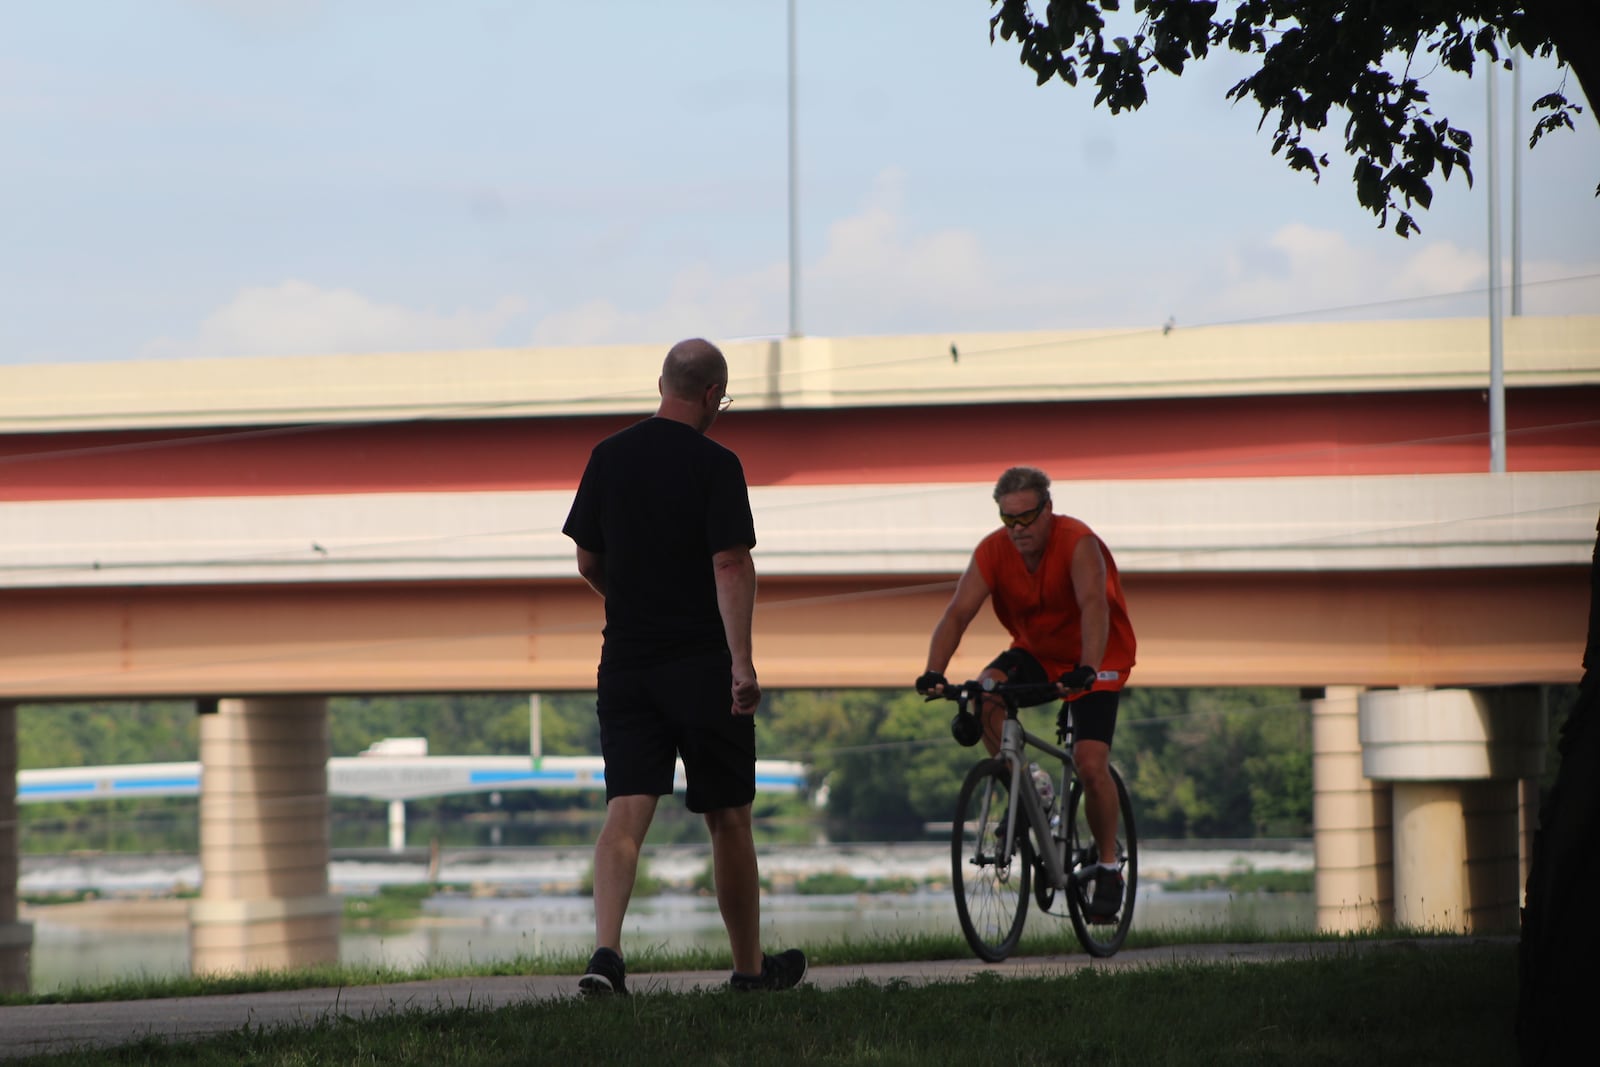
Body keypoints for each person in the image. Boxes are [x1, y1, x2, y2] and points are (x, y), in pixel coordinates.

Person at [561, 337, 806, 995]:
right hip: (702, 665)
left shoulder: (607, 457)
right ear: (711, 396)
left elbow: (587, 561)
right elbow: (730, 563)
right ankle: (751, 971)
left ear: (662, 382)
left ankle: (607, 953)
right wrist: (743, 662)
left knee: (626, 810)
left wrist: (636, 602)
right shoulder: (717, 463)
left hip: (627, 664)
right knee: (728, 816)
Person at [916, 466, 1137, 920]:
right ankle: (1030, 782)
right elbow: (957, 613)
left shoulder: (1078, 543)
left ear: (1048, 510)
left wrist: (1089, 668)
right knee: (985, 694)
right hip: (1036, 652)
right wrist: (933, 671)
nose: (1017, 530)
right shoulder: (993, 552)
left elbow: (1094, 605)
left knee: (1090, 764)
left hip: (1097, 657)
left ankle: (1109, 867)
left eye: (1027, 518)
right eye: (1008, 520)